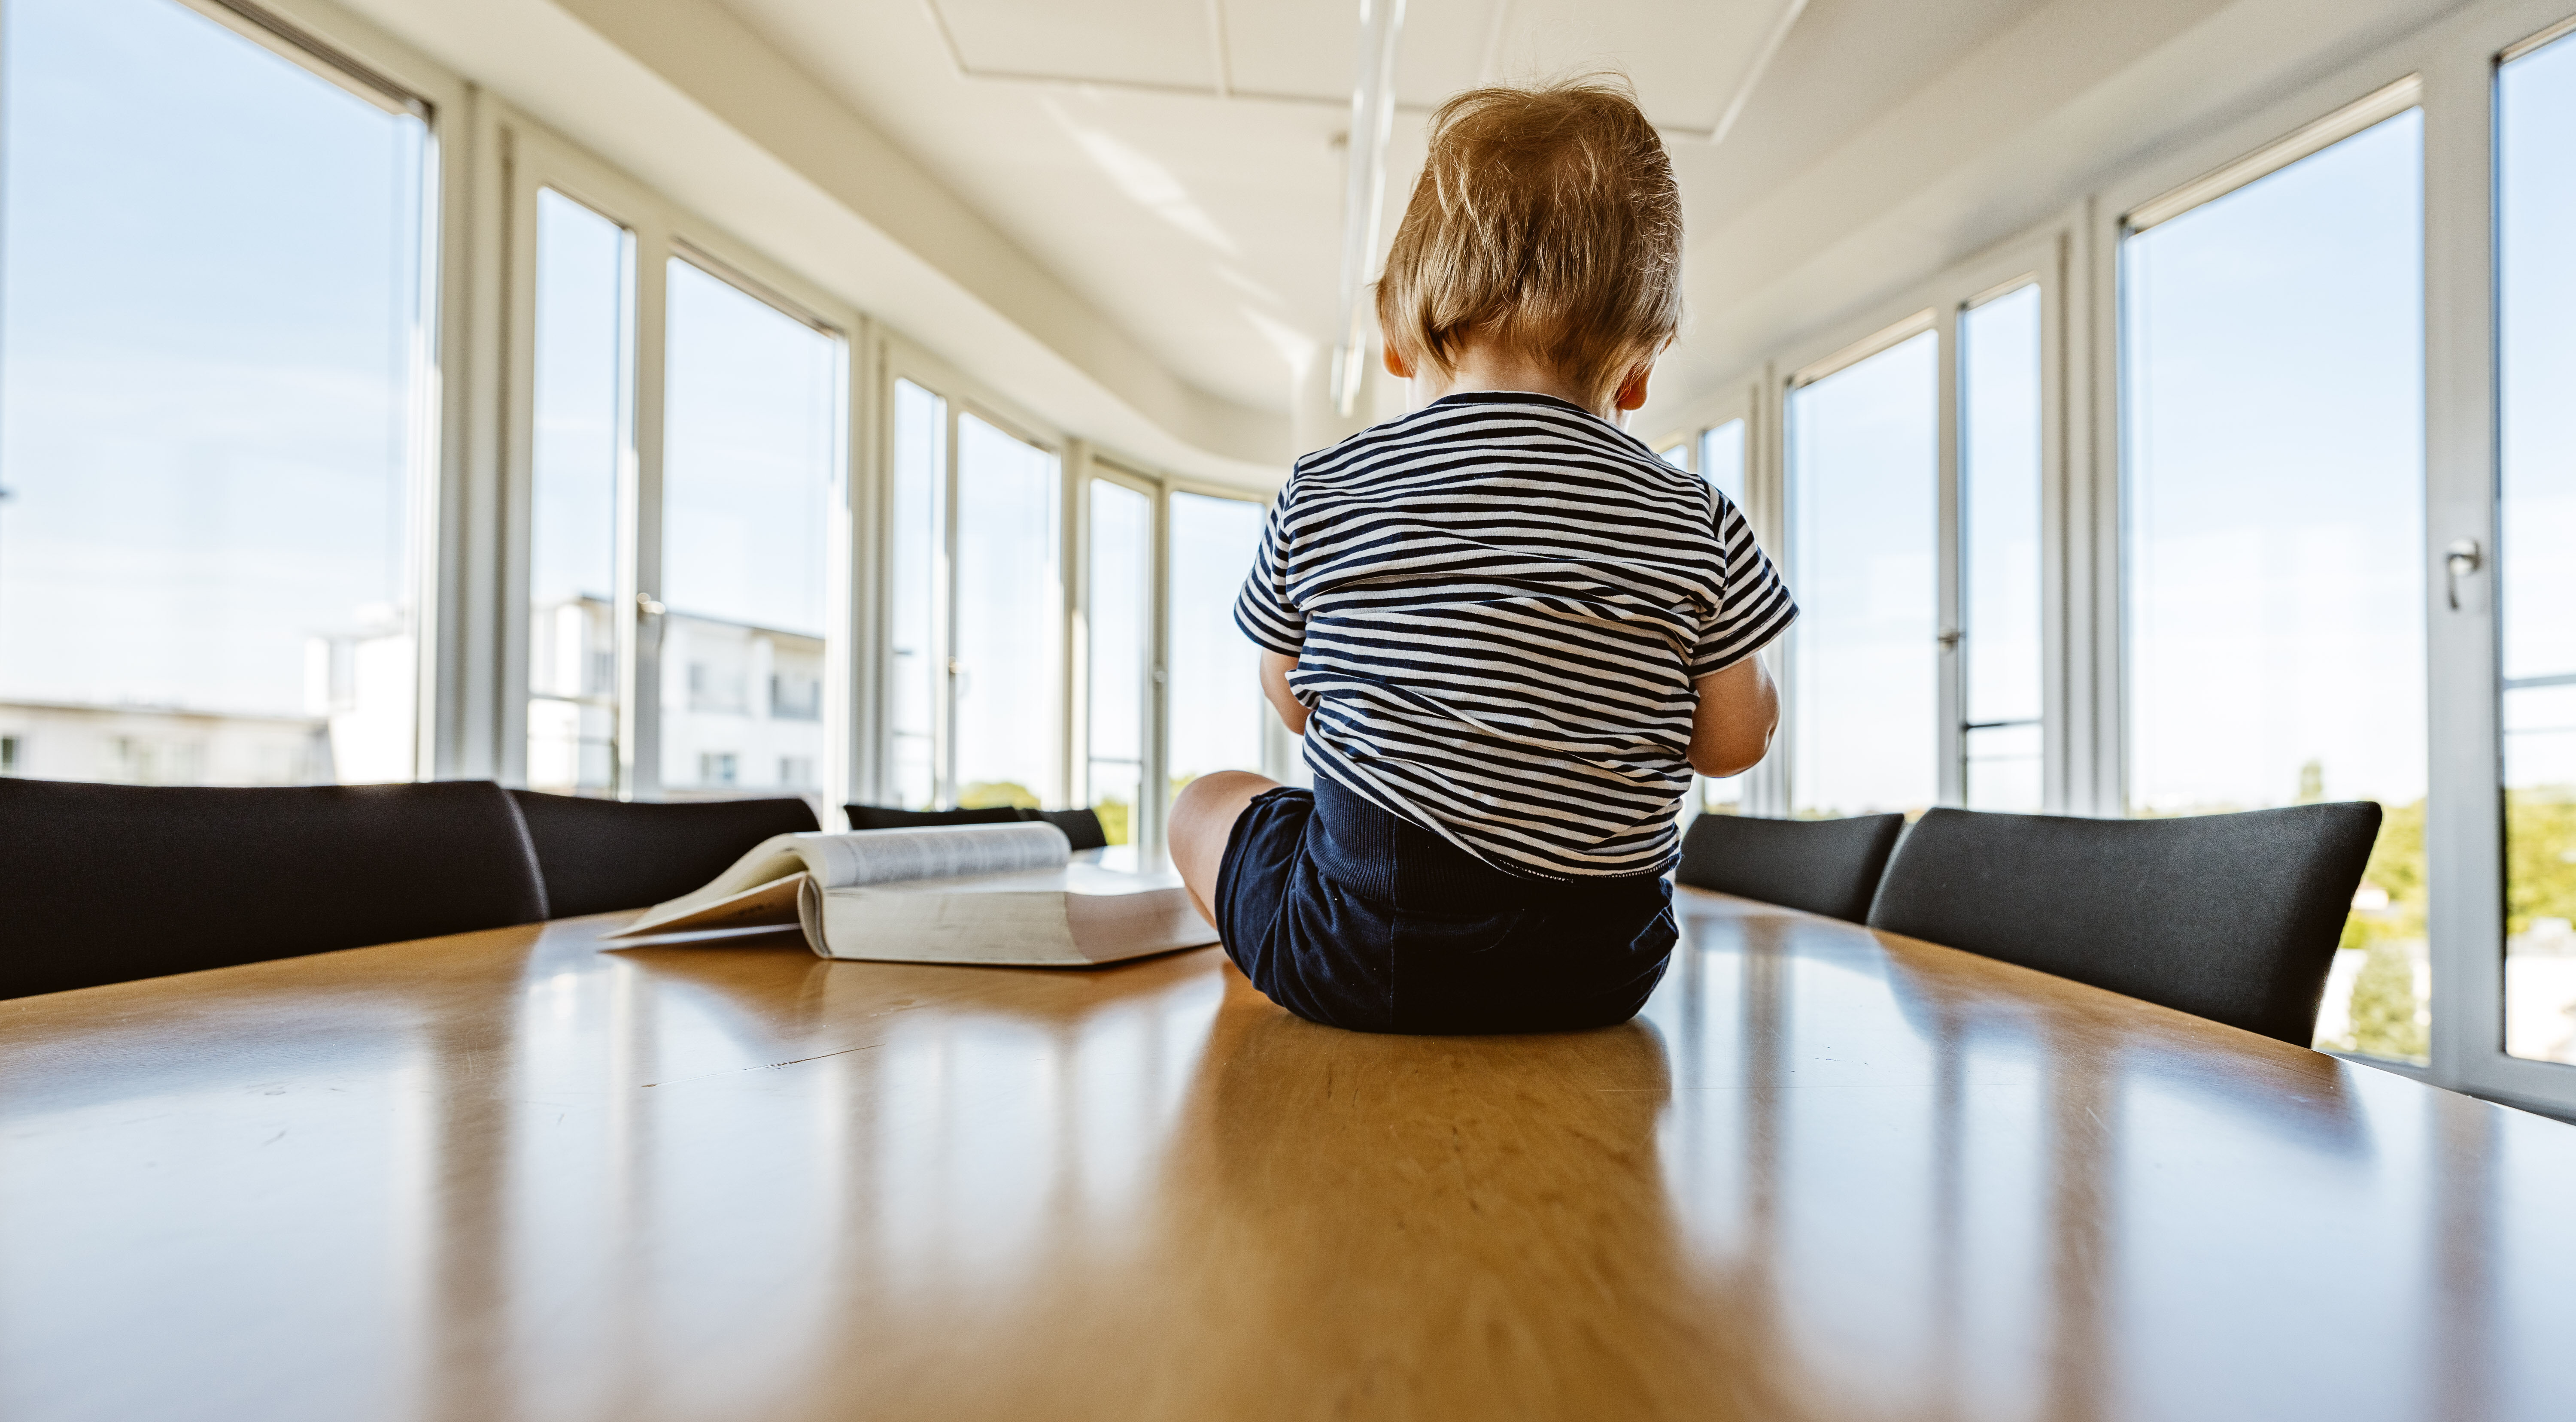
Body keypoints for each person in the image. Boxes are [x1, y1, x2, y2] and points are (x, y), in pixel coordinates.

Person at [1170, 76, 1797, 1035]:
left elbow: (1294, 695)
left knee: (1209, 801)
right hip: (1602, 970)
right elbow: (1730, 744)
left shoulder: (1327, 485)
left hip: (1360, 952)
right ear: (1638, 373)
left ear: (1397, 339)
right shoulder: (1694, 513)